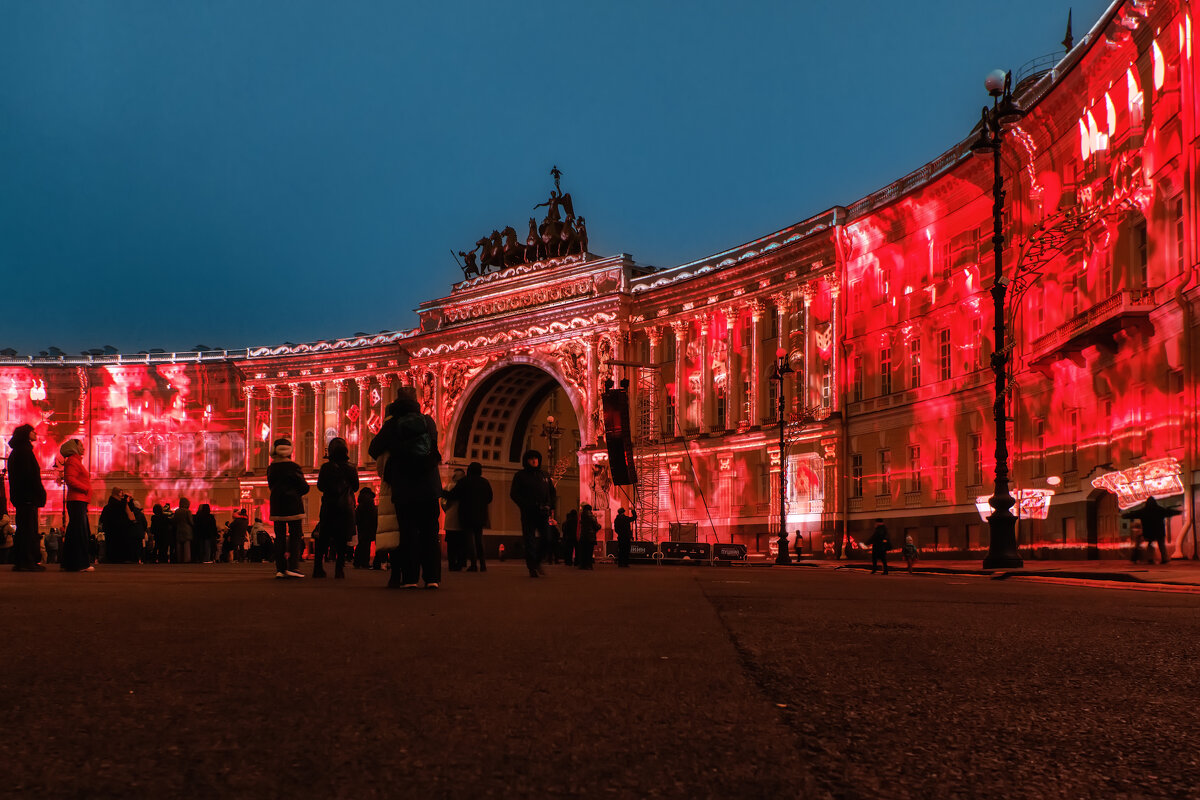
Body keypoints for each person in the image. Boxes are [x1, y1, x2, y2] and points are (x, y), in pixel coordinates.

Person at [369, 389, 442, 589]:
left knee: (408, 533)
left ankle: (410, 579)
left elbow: (373, 449)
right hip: (429, 486)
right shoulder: (428, 422)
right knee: (430, 533)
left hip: (404, 488)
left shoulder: (392, 424)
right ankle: (432, 578)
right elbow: (435, 446)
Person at [509, 449, 557, 578]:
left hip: (543, 512)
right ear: (526, 461)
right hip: (528, 513)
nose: (534, 460)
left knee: (547, 538)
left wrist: (550, 506)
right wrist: (525, 505)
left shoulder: (545, 476)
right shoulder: (520, 476)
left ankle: (537, 561)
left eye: (536, 458)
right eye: (531, 458)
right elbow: (514, 494)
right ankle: (532, 567)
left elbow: (552, 493)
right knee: (529, 540)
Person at [315, 437, 358, 579]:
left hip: (329, 506)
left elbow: (320, 486)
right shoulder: (351, 467)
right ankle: (339, 570)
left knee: (324, 538)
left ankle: (318, 568)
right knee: (342, 539)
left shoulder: (326, 468)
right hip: (345, 507)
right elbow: (356, 487)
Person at [267, 438, 309, 579]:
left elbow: (271, 486)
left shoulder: (271, 468)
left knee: (279, 538)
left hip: (277, 507)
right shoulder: (294, 467)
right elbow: (304, 487)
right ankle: (293, 567)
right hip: (294, 506)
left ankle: (280, 569)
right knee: (295, 537)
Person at [59, 438, 94, 572]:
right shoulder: (74, 461)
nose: (84, 448)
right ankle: (79, 563)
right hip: (78, 500)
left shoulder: (74, 461)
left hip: (78, 500)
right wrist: (85, 489)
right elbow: (70, 479)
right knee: (80, 532)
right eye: (81, 446)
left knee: (75, 531)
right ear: (74, 447)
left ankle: (71, 563)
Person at [451, 461, 492, 573]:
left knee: (469, 540)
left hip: (466, 515)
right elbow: (490, 498)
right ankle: (483, 564)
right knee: (479, 540)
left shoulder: (464, 482)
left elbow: (454, 495)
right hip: (480, 516)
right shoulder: (485, 482)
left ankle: (473, 564)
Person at [1125, 496, 1181, 565]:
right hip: (1159, 531)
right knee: (1161, 545)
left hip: (1148, 532)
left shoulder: (1144, 511)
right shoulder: (1160, 510)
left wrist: (1125, 515)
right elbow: (1169, 512)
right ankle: (1164, 559)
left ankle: (1148, 558)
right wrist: (1178, 512)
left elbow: (1134, 514)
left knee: (1148, 544)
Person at [442, 468, 466, 571]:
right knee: (460, 545)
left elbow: (443, 503)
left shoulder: (448, 487)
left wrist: (447, 511)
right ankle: (460, 564)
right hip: (461, 521)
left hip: (450, 521)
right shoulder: (465, 487)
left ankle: (452, 564)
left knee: (451, 545)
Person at [100, 489, 133, 563]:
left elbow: (102, 519)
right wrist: (126, 500)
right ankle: (120, 558)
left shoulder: (108, 507)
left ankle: (111, 558)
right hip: (119, 530)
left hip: (110, 531)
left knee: (111, 545)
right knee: (119, 545)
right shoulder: (120, 506)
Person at [354, 487, 377, 569]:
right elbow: (374, 515)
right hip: (370, 527)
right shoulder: (371, 503)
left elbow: (356, 517)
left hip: (361, 527)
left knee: (360, 544)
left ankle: (357, 562)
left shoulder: (360, 505)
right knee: (367, 545)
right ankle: (365, 562)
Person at [576, 504, 600, 570]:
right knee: (589, 552)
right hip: (590, 537)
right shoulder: (592, 517)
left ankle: (582, 565)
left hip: (583, 536)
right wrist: (599, 527)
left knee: (583, 551)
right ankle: (588, 565)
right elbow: (596, 526)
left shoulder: (581, 516)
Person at [174, 497, 194, 564]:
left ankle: (179, 559)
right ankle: (186, 559)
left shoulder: (177, 511)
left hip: (179, 529)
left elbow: (175, 521)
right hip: (187, 530)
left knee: (179, 545)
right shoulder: (188, 511)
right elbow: (190, 521)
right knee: (186, 546)